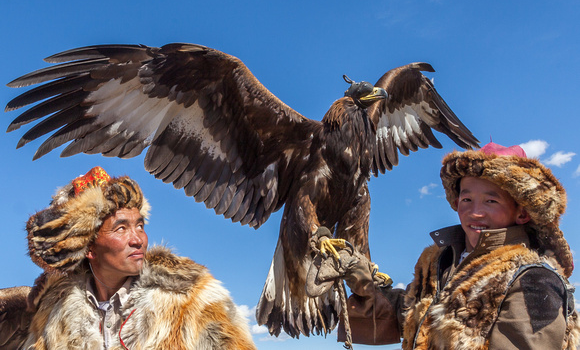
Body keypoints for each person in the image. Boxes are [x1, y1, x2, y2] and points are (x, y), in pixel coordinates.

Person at [317, 142, 580, 349]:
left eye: (491, 201)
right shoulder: (441, 262)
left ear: (522, 213)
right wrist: (365, 283)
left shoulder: (534, 280)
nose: (474, 212)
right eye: (466, 199)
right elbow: (412, 316)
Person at [0, 166, 257, 350]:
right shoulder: (51, 312)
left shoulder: (189, 297)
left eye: (140, 225)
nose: (139, 239)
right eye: (121, 228)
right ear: (88, 247)